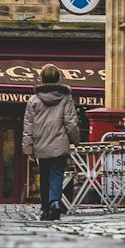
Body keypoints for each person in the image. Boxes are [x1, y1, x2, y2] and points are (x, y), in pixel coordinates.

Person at [21, 65, 81, 221]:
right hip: (59, 142)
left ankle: (45, 208)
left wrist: (28, 149)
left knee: (44, 175)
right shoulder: (66, 98)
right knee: (56, 174)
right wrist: (75, 140)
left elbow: (28, 125)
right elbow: (71, 122)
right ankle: (55, 202)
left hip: (40, 144)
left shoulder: (33, 99)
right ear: (58, 79)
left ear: (42, 78)